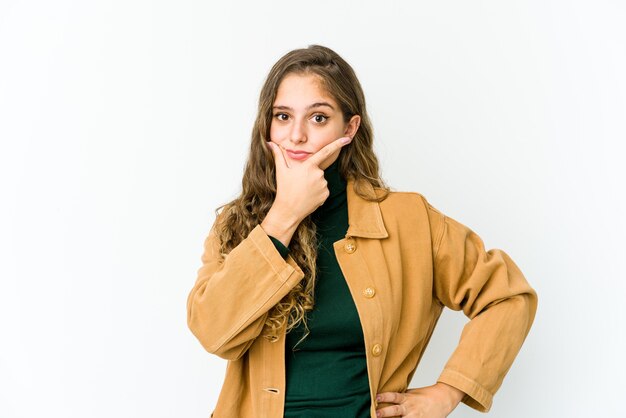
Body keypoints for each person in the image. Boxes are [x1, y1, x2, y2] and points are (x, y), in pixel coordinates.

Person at [186, 44, 538, 418]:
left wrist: (449, 391)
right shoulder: (237, 225)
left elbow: (507, 295)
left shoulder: (409, 220)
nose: (297, 136)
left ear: (349, 127)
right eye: (283, 116)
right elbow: (213, 332)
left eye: (318, 118)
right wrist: (282, 218)